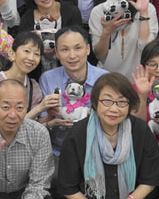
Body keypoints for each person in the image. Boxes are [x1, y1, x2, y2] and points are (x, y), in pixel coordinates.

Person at [38, 25, 109, 154]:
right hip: (58, 151)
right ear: (57, 53)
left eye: (78, 48)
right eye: (65, 49)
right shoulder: (48, 78)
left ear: (87, 49)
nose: (72, 55)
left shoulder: (105, 78)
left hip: (97, 150)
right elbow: (42, 123)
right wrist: (51, 114)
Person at [89, 0, 156, 78]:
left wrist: (143, 13)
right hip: (107, 78)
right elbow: (100, 55)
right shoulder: (99, 11)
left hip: (138, 79)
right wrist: (107, 31)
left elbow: (146, 48)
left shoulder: (148, 9)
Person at [18, 0, 82, 71]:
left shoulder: (71, 11)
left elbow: (79, 44)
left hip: (69, 70)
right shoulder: (27, 18)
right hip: (36, 72)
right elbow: (23, 51)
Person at [0, 31, 47, 120]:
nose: (31, 58)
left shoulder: (34, 87)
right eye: (27, 51)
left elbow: (32, 124)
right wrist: (38, 109)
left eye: (36, 54)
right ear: (12, 54)